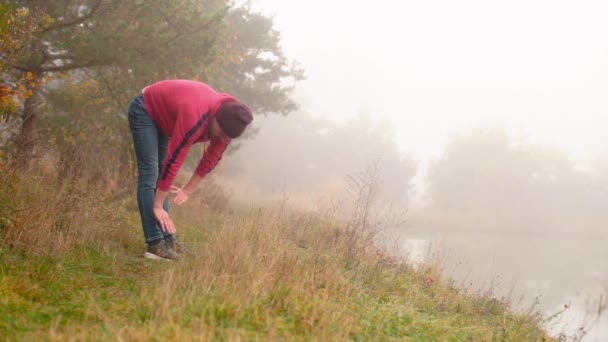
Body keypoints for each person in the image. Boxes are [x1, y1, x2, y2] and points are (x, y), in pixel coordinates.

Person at [127, 79, 253, 261]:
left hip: (165, 120)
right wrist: (157, 205)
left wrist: (188, 190)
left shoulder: (227, 126)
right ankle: (154, 244)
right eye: (222, 133)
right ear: (216, 118)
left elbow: (210, 160)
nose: (222, 138)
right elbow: (175, 159)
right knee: (151, 173)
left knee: (160, 175)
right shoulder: (194, 115)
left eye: (227, 137)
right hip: (145, 109)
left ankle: (167, 239)